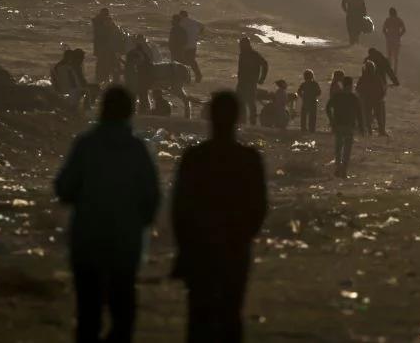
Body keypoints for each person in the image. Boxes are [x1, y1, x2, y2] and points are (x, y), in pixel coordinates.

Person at [55, 87, 160, 343]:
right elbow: (151, 197)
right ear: (130, 112)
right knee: (123, 312)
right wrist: (138, 224)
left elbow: (64, 189)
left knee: (88, 315)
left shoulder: (86, 145)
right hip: (126, 243)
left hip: (88, 240)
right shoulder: (137, 149)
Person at [170, 91, 268, 343]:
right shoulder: (249, 159)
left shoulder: (194, 158)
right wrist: (242, 236)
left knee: (198, 317)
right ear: (238, 117)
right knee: (230, 315)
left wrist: (184, 247)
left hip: (199, 248)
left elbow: (180, 209)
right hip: (235, 248)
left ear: (210, 116)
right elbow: (259, 208)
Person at [325, 77, 362, 177]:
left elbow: (328, 108)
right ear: (350, 85)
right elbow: (359, 113)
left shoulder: (337, 96)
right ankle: (343, 169)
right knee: (346, 149)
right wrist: (361, 127)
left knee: (338, 148)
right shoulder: (353, 97)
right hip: (348, 125)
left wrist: (332, 120)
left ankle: (338, 168)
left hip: (338, 125)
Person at [236, 36, 269, 125]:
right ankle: (242, 122)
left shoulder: (254, 55)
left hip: (250, 83)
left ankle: (252, 123)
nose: (240, 47)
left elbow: (265, 64)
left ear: (246, 45)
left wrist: (262, 78)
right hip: (242, 82)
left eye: (241, 45)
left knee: (250, 103)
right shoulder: (242, 54)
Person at [170, 11, 204, 82]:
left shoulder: (181, 23)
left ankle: (186, 78)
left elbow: (178, 32)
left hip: (184, 45)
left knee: (183, 62)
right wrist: (197, 35)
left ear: (181, 16)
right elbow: (202, 26)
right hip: (193, 45)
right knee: (192, 61)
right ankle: (198, 75)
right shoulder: (194, 22)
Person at [356, 59, 388, 136]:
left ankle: (370, 131)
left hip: (368, 99)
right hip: (376, 99)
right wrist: (381, 97)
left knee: (368, 115)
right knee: (378, 116)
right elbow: (382, 89)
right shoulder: (377, 77)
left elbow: (358, 89)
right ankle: (380, 131)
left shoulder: (363, 78)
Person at [124, 35, 154, 111]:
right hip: (142, 79)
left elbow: (128, 68)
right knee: (142, 96)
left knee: (137, 96)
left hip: (137, 79)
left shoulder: (131, 53)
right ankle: (143, 110)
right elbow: (149, 66)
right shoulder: (146, 53)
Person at [92, 8, 122, 83]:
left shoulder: (98, 24)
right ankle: (106, 81)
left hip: (103, 50)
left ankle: (102, 80)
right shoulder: (100, 25)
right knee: (107, 66)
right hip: (105, 50)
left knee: (103, 66)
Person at [381, 8, 406, 75]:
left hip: (389, 40)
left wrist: (387, 36)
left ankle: (389, 70)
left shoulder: (388, 20)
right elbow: (404, 29)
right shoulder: (398, 20)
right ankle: (395, 71)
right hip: (396, 40)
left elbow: (383, 30)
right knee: (396, 57)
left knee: (389, 56)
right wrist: (399, 35)